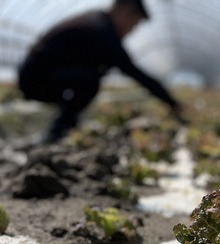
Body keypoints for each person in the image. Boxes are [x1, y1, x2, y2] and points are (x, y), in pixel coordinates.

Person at [17, 0, 183, 144]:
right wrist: (173, 103)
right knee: (89, 82)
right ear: (124, 11)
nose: (131, 31)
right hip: (35, 79)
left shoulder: (97, 21)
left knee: (89, 78)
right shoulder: (102, 31)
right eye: (134, 24)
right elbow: (135, 73)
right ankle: (57, 133)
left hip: (38, 75)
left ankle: (64, 129)